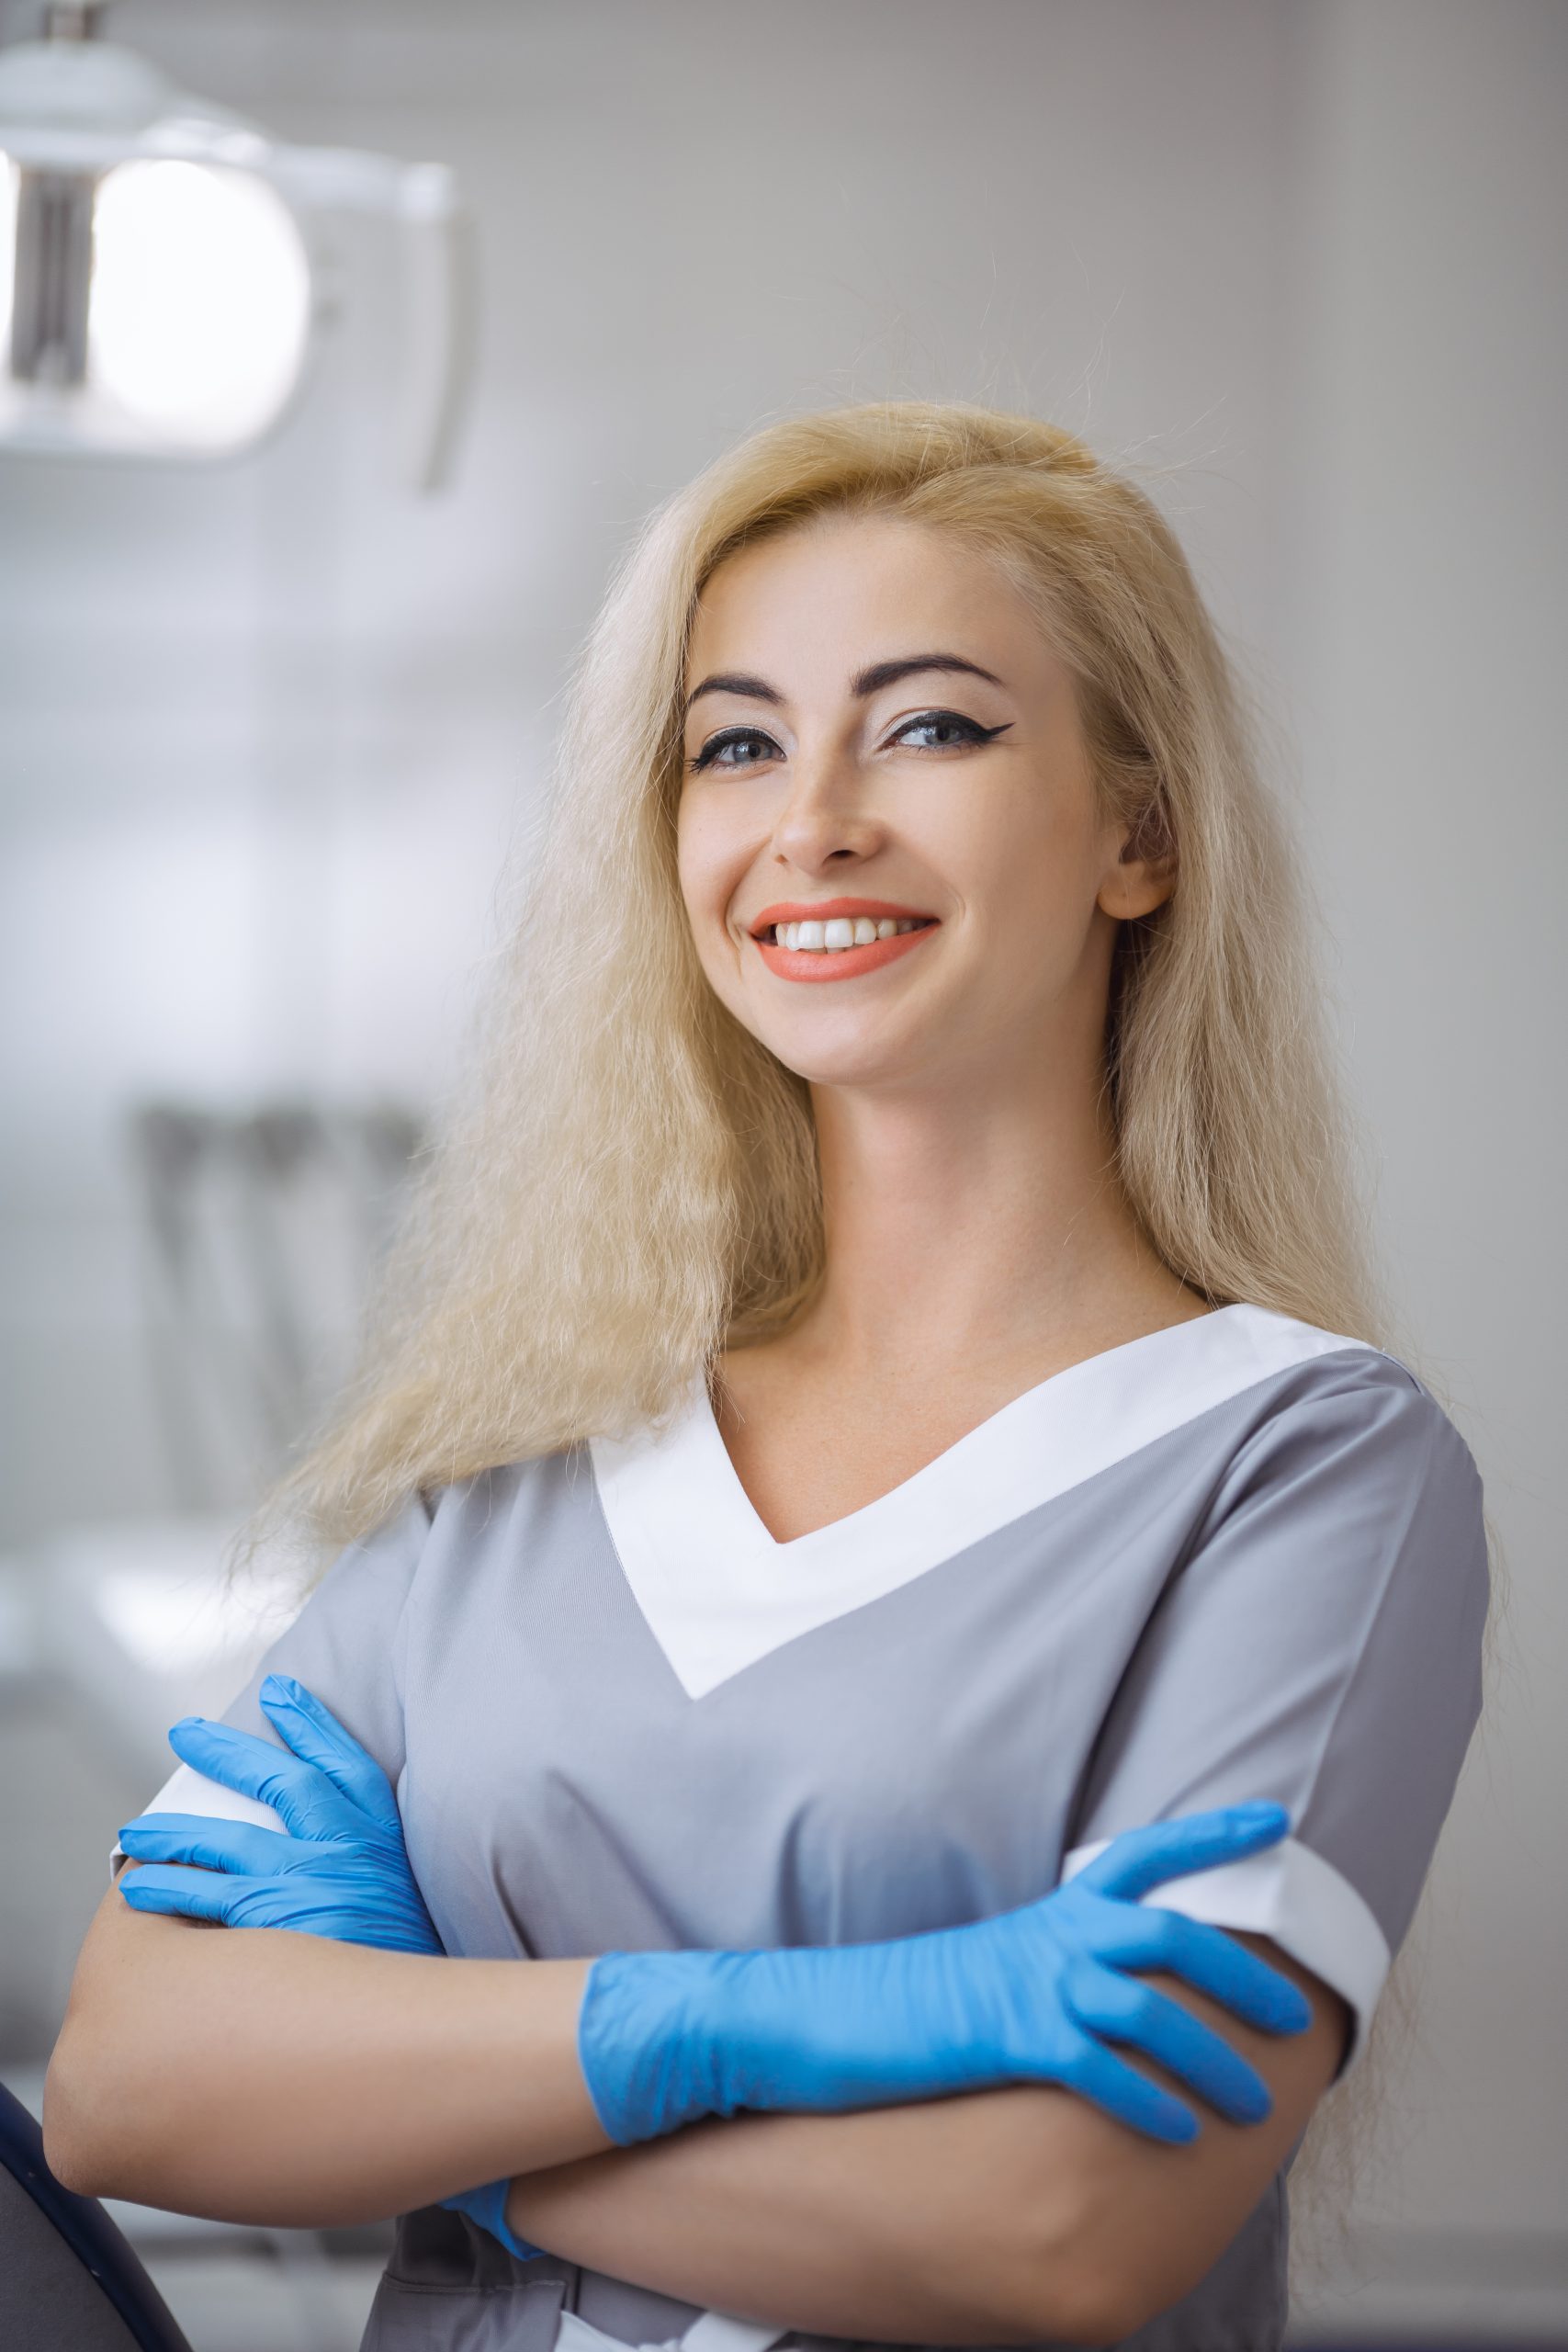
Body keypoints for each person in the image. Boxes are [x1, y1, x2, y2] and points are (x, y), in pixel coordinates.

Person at [44, 404, 1488, 2352]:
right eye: (734, 741)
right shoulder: (535, 1465)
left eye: (931, 725)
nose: (810, 818)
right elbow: (132, 2084)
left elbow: (1064, 2228)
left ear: (1138, 834)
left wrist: (417, 2111)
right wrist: (773, 2019)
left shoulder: (1298, 1465)